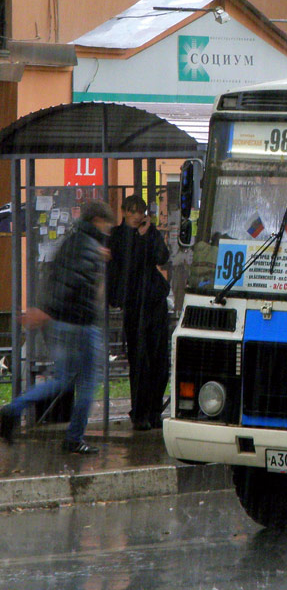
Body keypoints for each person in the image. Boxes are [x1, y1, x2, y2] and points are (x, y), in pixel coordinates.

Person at [0, 200, 115, 455]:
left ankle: (14, 407)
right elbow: (75, 285)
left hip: (60, 324)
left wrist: (48, 312)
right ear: (97, 221)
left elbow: (57, 278)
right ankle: (74, 438)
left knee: (62, 380)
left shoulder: (72, 241)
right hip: (81, 325)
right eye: (107, 226)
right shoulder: (89, 248)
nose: (108, 232)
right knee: (87, 383)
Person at [108, 195, 171, 431]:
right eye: (132, 211)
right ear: (124, 212)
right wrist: (141, 239)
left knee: (160, 361)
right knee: (140, 360)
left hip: (154, 301)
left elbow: (162, 257)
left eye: (140, 211)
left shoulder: (149, 232)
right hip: (135, 304)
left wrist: (150, 234)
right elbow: (128, 265)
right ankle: (140, 412)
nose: (136, 216)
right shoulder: (117, 236)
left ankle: (155, 411)